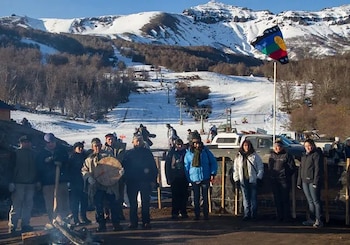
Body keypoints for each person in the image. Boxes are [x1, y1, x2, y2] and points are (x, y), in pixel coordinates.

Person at [81, 138, 123, 232]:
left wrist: (120, 171)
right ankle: (101, 225)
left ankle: (116, 224)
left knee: (113, 205)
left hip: (109, 186)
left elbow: (116, 166)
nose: (97, 147)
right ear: (92, 147)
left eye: (99, 145)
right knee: (98, 206)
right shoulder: (89, 159)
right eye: (95, 146)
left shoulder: (109, 156)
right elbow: (84, 170)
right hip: (96, 186)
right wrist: (88, 177)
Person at [122, 135, 158, 229]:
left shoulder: (147, 153)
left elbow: (153, 167)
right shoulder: (128, 153)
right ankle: (133, 222)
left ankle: (146, 221)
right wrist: (124, 177)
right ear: (133, 142)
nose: (138, 143)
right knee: (133, 203)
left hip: (145, 181)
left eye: (140, 141)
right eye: (136, 141)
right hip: (132, 182)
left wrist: (153, 180)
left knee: (145, 202)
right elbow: (123, 167)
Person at [36, 133, 70, 223]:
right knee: (50, 204)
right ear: (45, 143)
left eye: (52, 142)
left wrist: (60, 163)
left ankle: (65, 221)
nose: (51, 144)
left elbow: (67, 162)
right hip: (48, 184)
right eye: (48, 142)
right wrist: (48, 162)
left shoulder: (61, 151)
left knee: (63, 202)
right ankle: (53, 221)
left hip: (61, 182)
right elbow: (39, 168)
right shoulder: (41, 154)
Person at [8, 135, 38, 234]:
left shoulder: (34, 154)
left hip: (31, 183)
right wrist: (11, 181)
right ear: (20, 143)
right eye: (24, 142)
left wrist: (37, 181)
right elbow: (10, 168)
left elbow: (37, 169)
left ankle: (25, 224)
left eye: (28, 142)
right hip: (18, 183)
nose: (27, 143)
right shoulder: (15, 153)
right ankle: (13, 225)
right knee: (16, 205)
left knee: (28, 206)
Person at [184, 133, 217, 220]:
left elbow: (213, 162)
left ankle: (206, 214)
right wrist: (189, 178)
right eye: (195, 143)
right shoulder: (188, 153)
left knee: (205, 197)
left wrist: (212, 173)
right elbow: (186, 166)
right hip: (194, 178)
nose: (197, 144)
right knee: (196, 197)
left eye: (198, 142)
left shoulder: (205, 151)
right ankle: (197, 215)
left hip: (205, 177)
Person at [233, 139, 264, 221]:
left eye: (248, 145)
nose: (246, 147)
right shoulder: (238, 157)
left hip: (253, 180)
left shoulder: (255, 156)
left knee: (253, 198)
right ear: (242, 146)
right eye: (245, 145)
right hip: (243, 180)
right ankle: (246, 214)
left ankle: (254, 214)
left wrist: (259, 177)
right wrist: (236, 179)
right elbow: (236, 169)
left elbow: (260, 167)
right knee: (245, 198)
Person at [297, 138, 324, 228]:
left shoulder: (316, 155)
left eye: (309, 146)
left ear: (313, 145)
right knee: (310, 201)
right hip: (305, 181)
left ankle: (318, 220)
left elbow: (318, 169)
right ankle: (311, 219)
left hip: (313, 181)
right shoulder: (304, 156)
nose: (308, 148)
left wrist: (316, 181)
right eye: (306, 146)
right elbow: (301, 169)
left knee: (316, 201)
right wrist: (299, 181)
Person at [267, 140, 296, 222]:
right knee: (277, 199)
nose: (277, 148)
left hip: (284, 180)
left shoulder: (287, 155)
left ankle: (286, 216)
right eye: (275, 147)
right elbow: (270, 167)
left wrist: (286, 174)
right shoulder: (272, 156)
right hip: (274, 179)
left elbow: (292, 167)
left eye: (278, 146)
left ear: (282, 147)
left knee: (285, 198)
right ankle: (279, 216)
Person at [102, 133, 127, 221]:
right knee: (107, 196)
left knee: (119, 196)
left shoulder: (120, 148)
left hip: (119, 175)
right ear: (106, 140)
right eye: (109, 139)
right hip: (107, 177)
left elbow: (123, 159)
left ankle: (119, 213)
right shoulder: (103, 150)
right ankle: (107, 213)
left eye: (112, 139)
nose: (111, 141)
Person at [68, 141, 91, 226]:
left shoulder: (85, 157)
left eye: (82, 147)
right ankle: (76, 219)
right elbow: (69, 170)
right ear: (75, 149)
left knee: (84, 200)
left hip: (84, 182)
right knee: (75, 202)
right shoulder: (71, 158)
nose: (81, 149)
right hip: (74, 181)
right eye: (79, 147)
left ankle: (83, 217)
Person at [165, 138, 189, 219]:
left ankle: (183, 211)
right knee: (175, 196)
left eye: (180, 145)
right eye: (178, 145)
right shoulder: (171, 154)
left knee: (184, 195)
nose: (179, 147)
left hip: (184, 177)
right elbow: (167, 166)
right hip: (174, 177)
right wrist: (168, 177)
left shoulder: (186, 153)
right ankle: (175, 212)